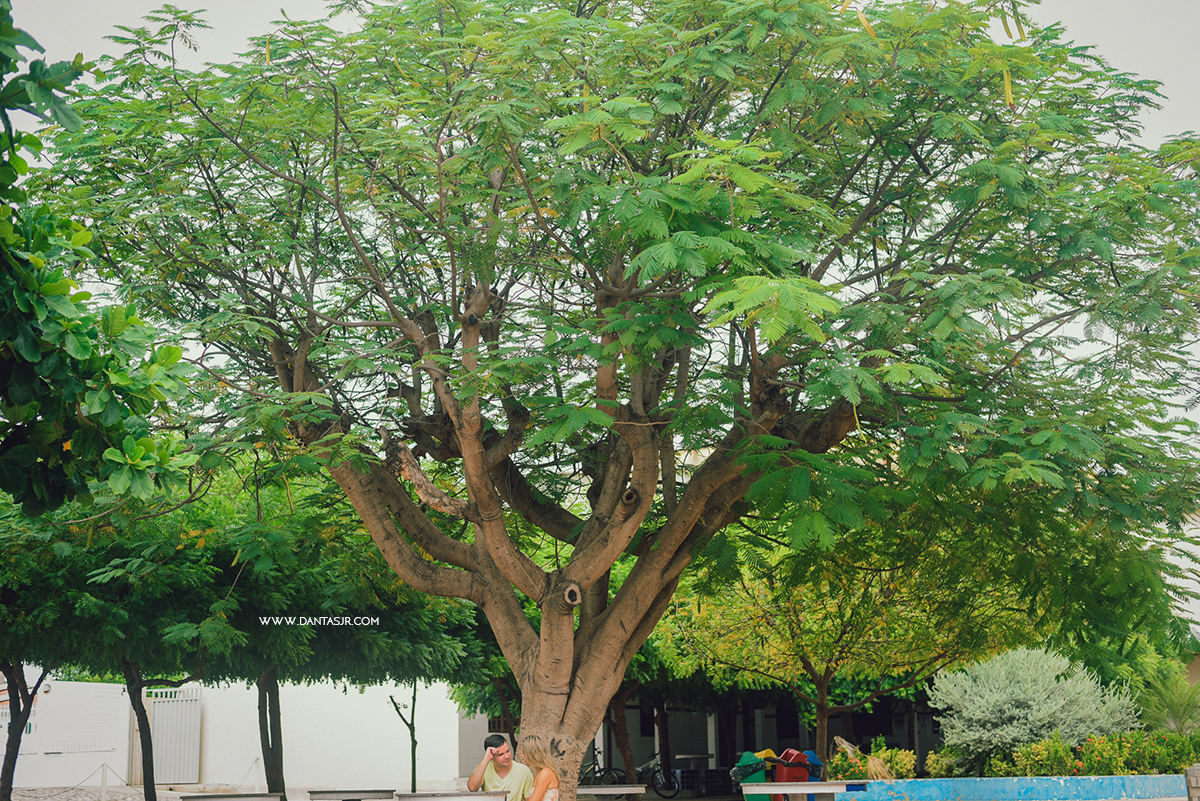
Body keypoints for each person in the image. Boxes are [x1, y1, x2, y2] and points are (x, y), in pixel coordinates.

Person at [468, 734, 535, 801]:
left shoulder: (524, 771)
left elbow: (529, 799)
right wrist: (486, 758)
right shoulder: (484, 769)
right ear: (491, 756)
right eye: (501, 754)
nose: (507, 756)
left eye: (507, 751)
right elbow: (472, 788)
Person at [518, 735, 560, 801]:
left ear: (531, 753)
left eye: (523, 752)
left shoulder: (545, 773)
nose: (522, 755)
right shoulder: (540, 773)